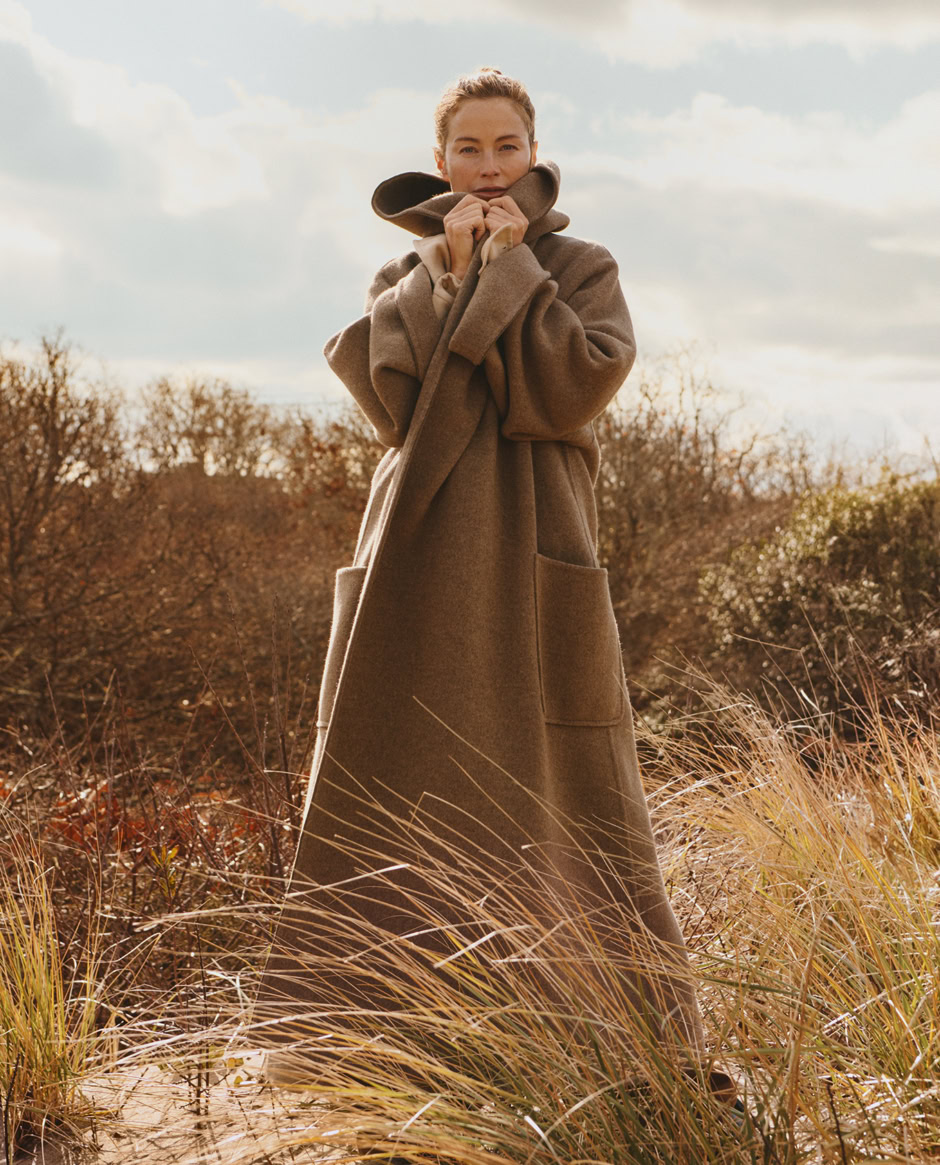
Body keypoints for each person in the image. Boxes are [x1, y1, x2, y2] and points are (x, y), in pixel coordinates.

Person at [255, 66, 740, 1114]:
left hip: (534, 543)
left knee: (573, 786)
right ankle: (357, 1051)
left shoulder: (581, 264)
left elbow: (569, 389)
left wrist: (510, 272)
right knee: (387, 780)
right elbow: (388, 401)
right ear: (440, 160)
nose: (487, 166)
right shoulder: (404, 267)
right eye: (468, 149)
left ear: (534, 154)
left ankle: (623, 1048)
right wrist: (445, 273)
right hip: (413, 556)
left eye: (505, 146)